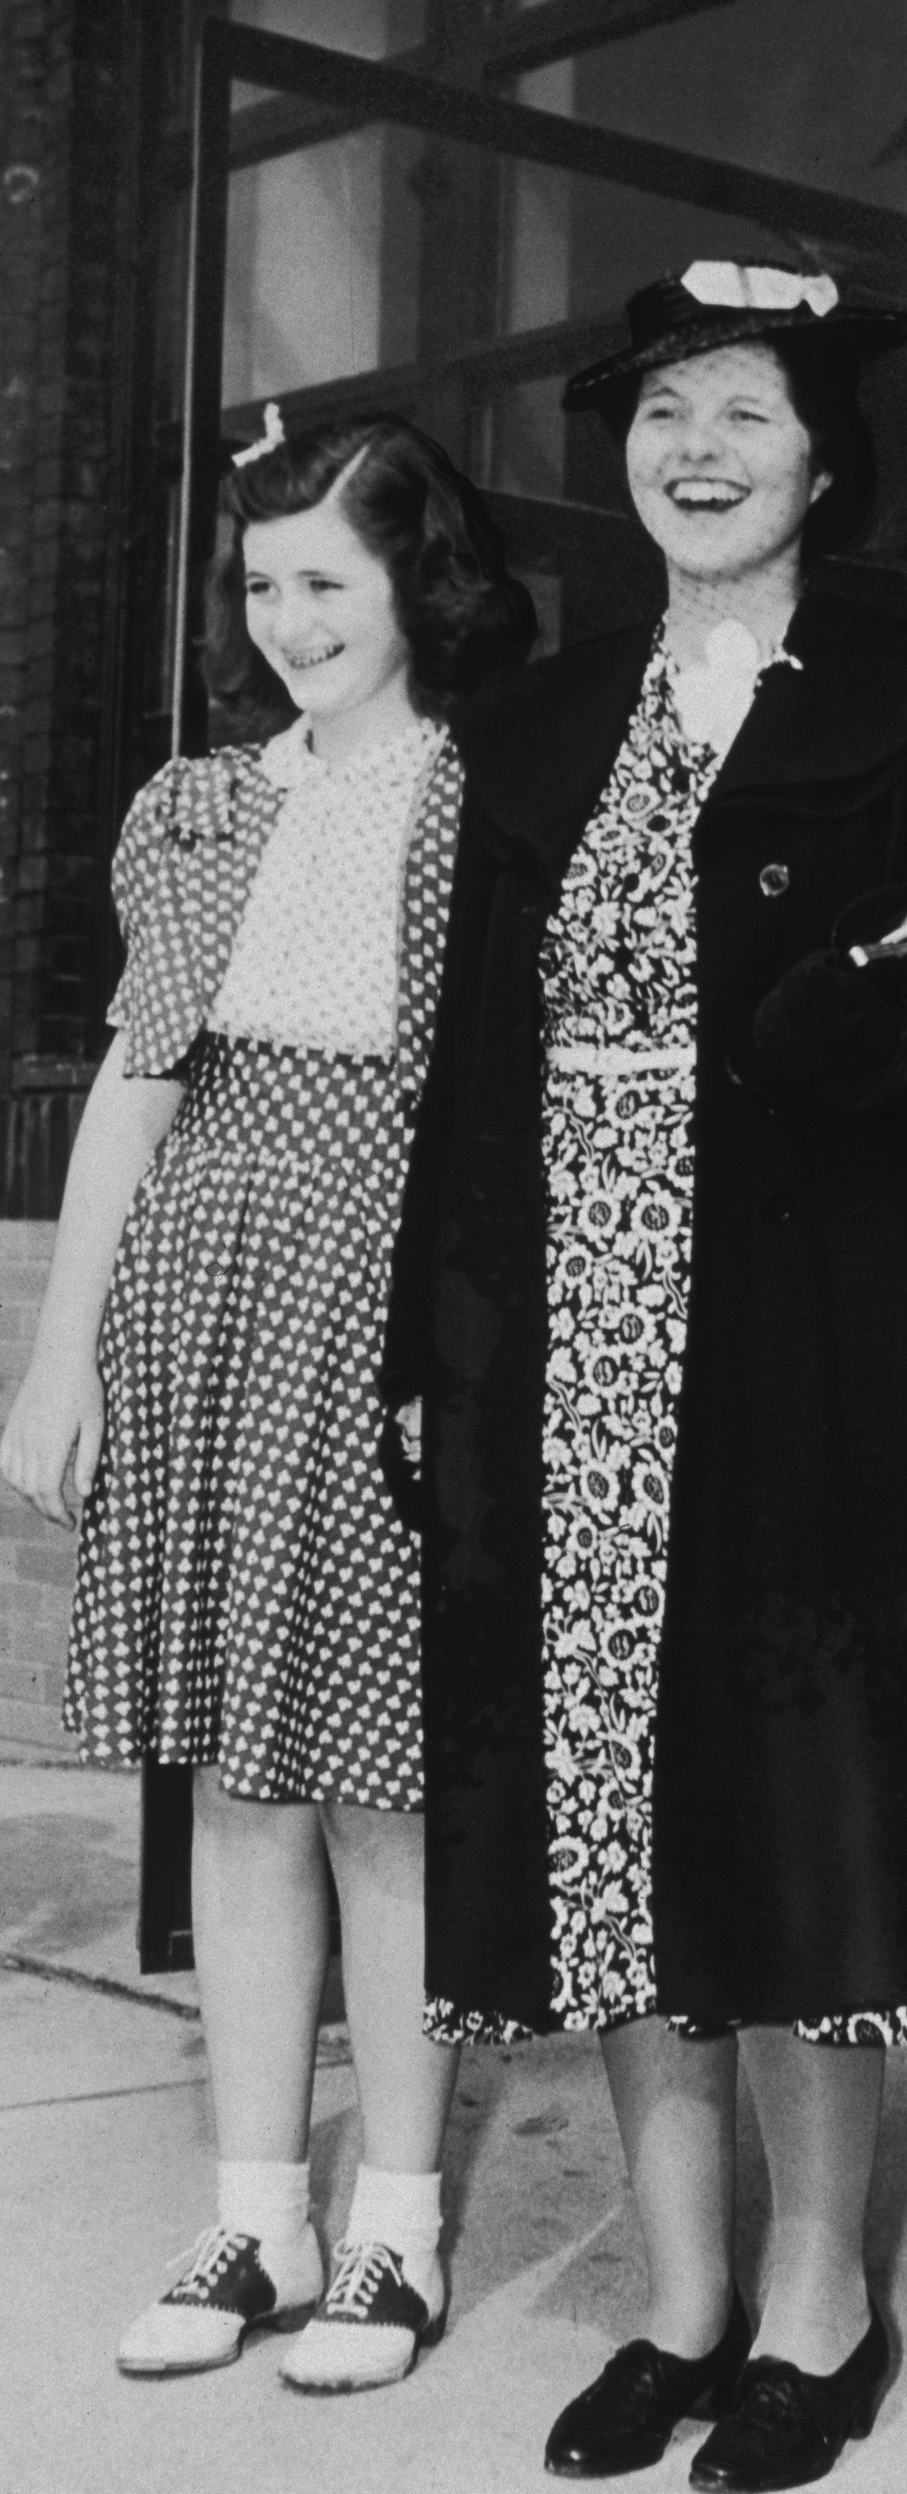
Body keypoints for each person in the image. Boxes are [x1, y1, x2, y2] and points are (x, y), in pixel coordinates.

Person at [384, 259, 907, 2494]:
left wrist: (857, 1030)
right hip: (567, 1341)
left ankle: (821, 2300)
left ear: (823, 452)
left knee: (806, 1817)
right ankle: (679, 2295)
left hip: (804, 1339)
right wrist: (437, 1329)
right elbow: (470, 1063)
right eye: (666, 413)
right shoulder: (541, 717)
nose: (699, 451)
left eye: (745, 414)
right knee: (606, 1823)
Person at [0, 411, 533, 2393]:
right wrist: (61, 1353)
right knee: (237, 1773)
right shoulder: (196, 809)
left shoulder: (485, 801)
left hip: (391, 1295)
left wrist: (470, 1357)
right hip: (204, 1294)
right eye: (264, 583)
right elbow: (141, 1079)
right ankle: (255, 2205)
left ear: (418, 581)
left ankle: (395, 2216)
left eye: (328, 576)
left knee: (385, 1778)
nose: (290, 617)